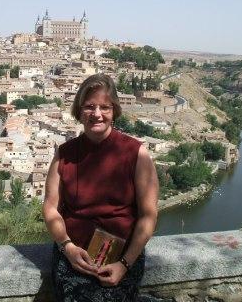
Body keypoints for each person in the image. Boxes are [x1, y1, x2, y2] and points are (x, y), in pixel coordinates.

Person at [43, 73, 159, 301]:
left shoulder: (136, 154)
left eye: (104, 107)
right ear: (79, 110)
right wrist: (67, 247)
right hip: (74, 257)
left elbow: (149, 215)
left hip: (123, 257)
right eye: (89, 107)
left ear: (114, 110)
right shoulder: (64, 154)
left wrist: (124, 265)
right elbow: (50, 208)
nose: (97, 114)